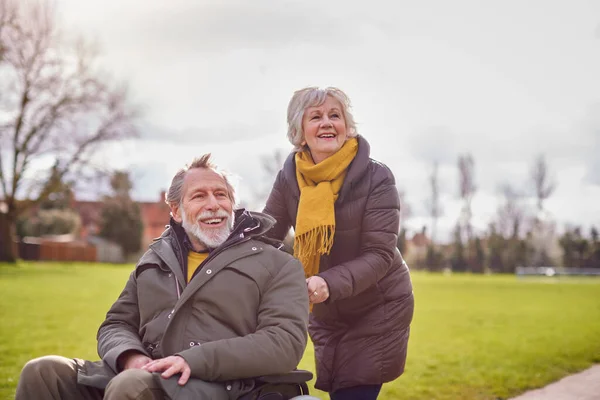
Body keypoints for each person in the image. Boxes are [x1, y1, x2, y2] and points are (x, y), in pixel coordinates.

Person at [16, 154, 309, 400]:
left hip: (225, 386)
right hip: (147, 374)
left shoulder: (278, 264)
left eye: (221, 195)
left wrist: (191, 361)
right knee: (43, 371)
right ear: (176, 211)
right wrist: (131, 357)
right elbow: (116, 323)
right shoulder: (155, 258)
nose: (213, 204)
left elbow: (282, 344)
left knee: (130, 387)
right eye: (199, 196)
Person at [263, 87, 414, 400]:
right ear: (299, 132)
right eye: (316, 117)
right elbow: (266, 237)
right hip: (326, 312)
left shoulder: (376, 177)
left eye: (335, 115)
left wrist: (327, 282)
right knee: (340, 390)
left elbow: (379, 254)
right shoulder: (289, 177)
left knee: (353, 393)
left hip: (378, 306)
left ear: (348, 127)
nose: (327, 123)